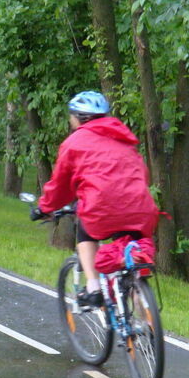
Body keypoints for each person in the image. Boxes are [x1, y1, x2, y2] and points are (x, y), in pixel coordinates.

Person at [31, 91, 158, 307]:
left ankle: (94, 287)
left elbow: (60, 185)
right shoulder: (124, 138)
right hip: (141, 208)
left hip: (103, 210)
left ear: (78, 118)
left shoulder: (74, 142)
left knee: (85, 230)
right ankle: (144, 308)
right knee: (132, 252)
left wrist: (44, 208)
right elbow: (142, 173)